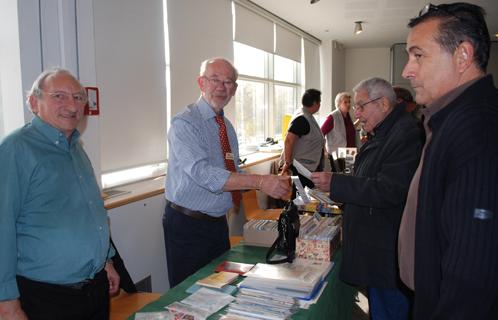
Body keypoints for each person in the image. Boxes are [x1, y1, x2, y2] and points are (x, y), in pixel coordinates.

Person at [398, 3, 498, 319]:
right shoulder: (448, 120)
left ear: (462, 56)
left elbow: (473, 271)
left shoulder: (476, 128)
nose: (406, 70)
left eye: (418, 55)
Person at [0, 68, 120, 320]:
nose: (72, 105)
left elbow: (90, 209)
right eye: (59, 96)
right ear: (34, 102)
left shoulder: (75, 147)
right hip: (47, 296)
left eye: (78, 97)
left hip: (93, 288)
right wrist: (7, 303)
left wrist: (106, 260)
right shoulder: (15, 149)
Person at [164, 58, 291, 288]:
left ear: (234, 89)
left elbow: (232, 170)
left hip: (217, 224)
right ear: (201, 83)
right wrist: (261, 181)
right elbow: (202, 173)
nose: (222, 88)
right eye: (215, 80)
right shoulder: (185, 123)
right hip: (187, 225)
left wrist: (272, 183)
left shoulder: (226, 127)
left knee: (220, 287)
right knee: (189, 294)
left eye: (228, 82)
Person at [311, 77, 423, 320]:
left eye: (361, 106)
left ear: (383, 103)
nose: (357, 114)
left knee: (389, 311)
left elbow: (388, 189)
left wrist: (336, 182)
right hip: (376, 245)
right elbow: (368, 176)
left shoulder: (404, 134)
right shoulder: (385, 131)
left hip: (386, 248)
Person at [280, 89, 324, 190]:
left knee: (306, 199)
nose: (320, 105)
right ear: (314, 103)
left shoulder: (308, 116)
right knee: (300, 199)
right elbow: (289, 140)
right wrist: (287, 163)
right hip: (301, 169)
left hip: (307, 168)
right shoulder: (302, 119)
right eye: (319, 102)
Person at [321, 92, 357, 171]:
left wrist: (358, 121)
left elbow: (347, 130)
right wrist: (324, 150)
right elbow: (321, 133)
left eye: (349, 102)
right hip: (337, 152)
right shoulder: (332, 116)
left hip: (350, 152)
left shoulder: (347, 116)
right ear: (339, 104)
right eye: (345, 102)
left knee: (349, 175)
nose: (348, 104)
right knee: (339, 175)